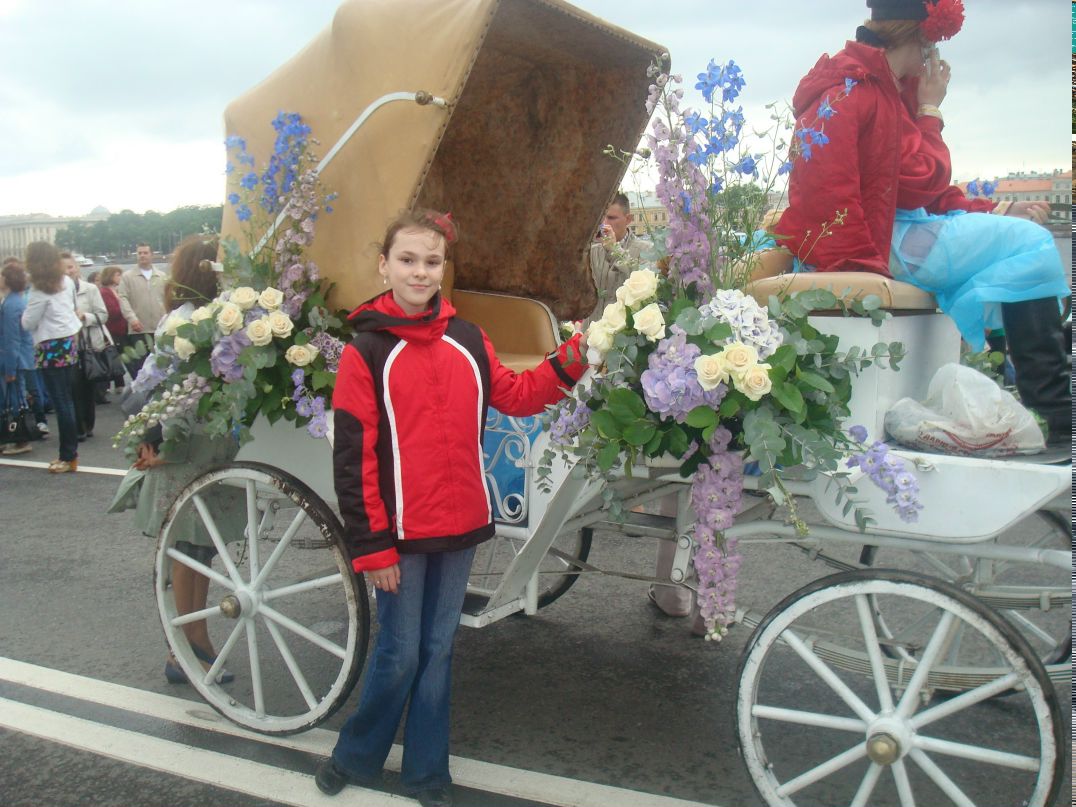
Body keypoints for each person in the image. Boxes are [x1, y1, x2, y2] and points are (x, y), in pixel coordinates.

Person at [315, 210, 588, 807]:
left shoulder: (467, 339)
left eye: (431, 261)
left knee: (438, 650)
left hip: (461, 523)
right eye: (407, 260)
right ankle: (355, 755)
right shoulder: (365, 351)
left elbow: (516, 396)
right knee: (398, 650)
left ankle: (426, 773)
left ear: (444, 270)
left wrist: (576, 354)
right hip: (400, 534)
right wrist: (372, 546)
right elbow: (353, 459)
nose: (419, 271)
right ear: (383, 266)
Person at [774, 0, 1071, 446]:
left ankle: (1054, 413)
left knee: (1024, 240)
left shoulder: (871, 85)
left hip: (886, 233)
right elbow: (922, 179)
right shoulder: (858, 90)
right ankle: (1056, 416)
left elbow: (916, 189)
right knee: (1030, 245)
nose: (934, 59)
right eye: (931, 45)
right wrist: (930, 110)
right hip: (876, 242)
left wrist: (991, 213)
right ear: (917, 37)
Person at [115, 234, 240, 685]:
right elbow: (155, 384)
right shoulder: (187, 321)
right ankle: (189, 644)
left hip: (199, 439)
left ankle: (187, 643)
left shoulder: (201, 317)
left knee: (196, 546)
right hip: (186, 442)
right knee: (190, 546)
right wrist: (149, 436)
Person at [20, 242, 82, 473]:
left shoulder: (38, 290)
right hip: (68, 341)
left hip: (50, 344)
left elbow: (28, 322)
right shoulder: (66, 281)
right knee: (67, 399)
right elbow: (73, 306)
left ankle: (68, 455)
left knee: (61, 402)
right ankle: (69, 453)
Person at [585, 193, 651, 325]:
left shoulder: (646, 250)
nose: (604, 224)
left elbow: (643, 288)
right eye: (601, 217)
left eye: (611, 218)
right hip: (591, 333)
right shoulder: (592, 250)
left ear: (628, 219)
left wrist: (614, 250)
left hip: (623, 334)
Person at [61, 251, 107, 436]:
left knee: (87, 387)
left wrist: (84, 317)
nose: (68, 272)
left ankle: (87, 424)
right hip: (67, 345)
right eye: (63, 269)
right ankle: (78, 427)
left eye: (70, 267)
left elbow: (103, 315)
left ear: (77, 267)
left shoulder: (90, 289)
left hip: (87, 345)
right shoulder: (56, 292)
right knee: (72, 386)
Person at [0, 262, 39, 455]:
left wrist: (10, 369)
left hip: (14, 358)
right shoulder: (17, 300)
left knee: (14, 398)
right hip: (21, 356)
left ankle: (19, 438)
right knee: (18, 397)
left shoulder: (11, 304)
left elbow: (11, 338)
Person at [116, 242, 167, 375]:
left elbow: (168, 299)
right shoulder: (127, 277)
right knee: (141, 367)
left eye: (145, 253)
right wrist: (132, 318)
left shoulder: (162, 276)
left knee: (161, 364)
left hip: (159, 328)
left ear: (152, 255)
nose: (142, 256)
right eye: (139, 253)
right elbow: (123, 298)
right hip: (138, 329)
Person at [97, 264, 129, 397]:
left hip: (121, 328)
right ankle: (115, 384)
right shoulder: (104, 292)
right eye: (117, 275)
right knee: (115, 356)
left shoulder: (116, 290)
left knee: (118, 356)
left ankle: (119, 383)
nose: (120, 277)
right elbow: (112, 311)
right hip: (112, 329)